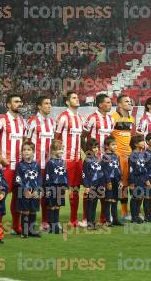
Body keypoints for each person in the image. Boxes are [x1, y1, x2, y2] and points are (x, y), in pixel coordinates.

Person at [0, 94, 26, 237]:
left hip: (19, 168)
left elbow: (25, 140)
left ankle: (16, 225)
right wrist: (0, 158)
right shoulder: (2, 119)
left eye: (20, 101)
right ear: (8, 105)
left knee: (18, 197)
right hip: (5, 167)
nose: (19, 103)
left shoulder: (22, 122)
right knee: (1, 196)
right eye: (16, 101)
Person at [82, 93, 113, 225]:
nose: (110, 104)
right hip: (94, 161)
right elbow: (82, 137)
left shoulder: (111, 119)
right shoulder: (92, 118)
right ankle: (86, 219)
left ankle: (103, 218)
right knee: (91, 191)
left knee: (105, 191)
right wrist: (89, 154)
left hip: (105, 161)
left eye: (110, 102)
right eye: (108, 102)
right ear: (100, 104)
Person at [55, 91, 84, 227]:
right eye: (74, 97)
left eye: (77, 97)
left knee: (76, 189)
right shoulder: (63, 117)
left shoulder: (80, 118)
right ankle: (54, 220)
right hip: (65, 160)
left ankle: (73, 219)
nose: (77, 99)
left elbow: (81, 138)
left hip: (77, 159)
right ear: (67, 102)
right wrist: (59, 159)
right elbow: (56, 138)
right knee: (60, 189)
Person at [26, 96, 54, 230]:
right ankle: (28, 224)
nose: (49, 106)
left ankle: (45, 222)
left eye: (50, 103)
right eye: (46, 103)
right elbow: (26, 141)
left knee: (46, 194)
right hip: (35, 165)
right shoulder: (33, 121)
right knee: (33, 193)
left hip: (48, 166)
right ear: (39, 106)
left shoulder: (52, 122)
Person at [110, 95, 135, 221]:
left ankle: (125, 212)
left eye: (130, 101)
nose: (129, 103)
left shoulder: (132, 119)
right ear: (119, 105)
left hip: (129, 157)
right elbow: (108, 138)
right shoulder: (112, 117)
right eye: (126, 101)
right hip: (116, 158)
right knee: (115, 185)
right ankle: (110, 212)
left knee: (127, 184)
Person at [15, 141, 42, 238]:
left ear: (33, 152)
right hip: (23, 193)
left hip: (34, 192)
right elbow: (18, 179)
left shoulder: (36, 165)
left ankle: (32, 230)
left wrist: (37, 190)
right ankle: (24, 231)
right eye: (24, 150)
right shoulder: (19, 165)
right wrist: (25, 190)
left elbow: (39, 179)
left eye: (29, 150)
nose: (26, 152)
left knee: (33, 210)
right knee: (25, 211)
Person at [44, 140, 69, 234]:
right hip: (52, 187)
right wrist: (47, 188)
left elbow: (65, 174)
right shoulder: (50, 163)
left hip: (61, 187)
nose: (61, 151)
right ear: (53, 151)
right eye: (59, 149)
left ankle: (56, 223)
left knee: (58, 205)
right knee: (52, 205)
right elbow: (47, 176)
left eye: (62, 149)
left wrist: (67, 185)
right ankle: (52, 225)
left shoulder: (63, 162)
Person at [81, 139, 105, 230]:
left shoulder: (97, 159)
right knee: (90, 204)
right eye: (94, 147)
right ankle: (89, 223)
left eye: (97, 147)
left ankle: (93, 221)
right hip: (91, 186)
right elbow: (84, 174)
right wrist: (86, 186)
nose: (96, 149)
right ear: (89, 148)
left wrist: (102, 185)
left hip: (98, 185)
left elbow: (100, 173)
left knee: (94, 204)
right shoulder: (87, 160)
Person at [101, 136, 123, 226]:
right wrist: (108, 181)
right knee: (108, 200)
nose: (115, 146)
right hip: (109, 181)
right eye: (113, 145)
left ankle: (115, 219)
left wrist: (121, 180)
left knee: (115, 200)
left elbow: (119, 168)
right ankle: (107, 221)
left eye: (116, 145)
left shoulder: (116, 156)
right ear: (107, 146)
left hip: (116, 181)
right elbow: (104, 170)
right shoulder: (105, 157)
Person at [128, 135, 148, 224]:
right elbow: (131, 170)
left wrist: (146, 180)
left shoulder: (142, 154)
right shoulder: (133, 155)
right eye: (142, 141)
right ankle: (134, 216)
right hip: (136, 179)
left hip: (142, 179)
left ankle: (137, 215)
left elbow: (144, 168)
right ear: (136, 144)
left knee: (141, 197)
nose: (144, 143)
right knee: (135, 197)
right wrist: (131, 182)